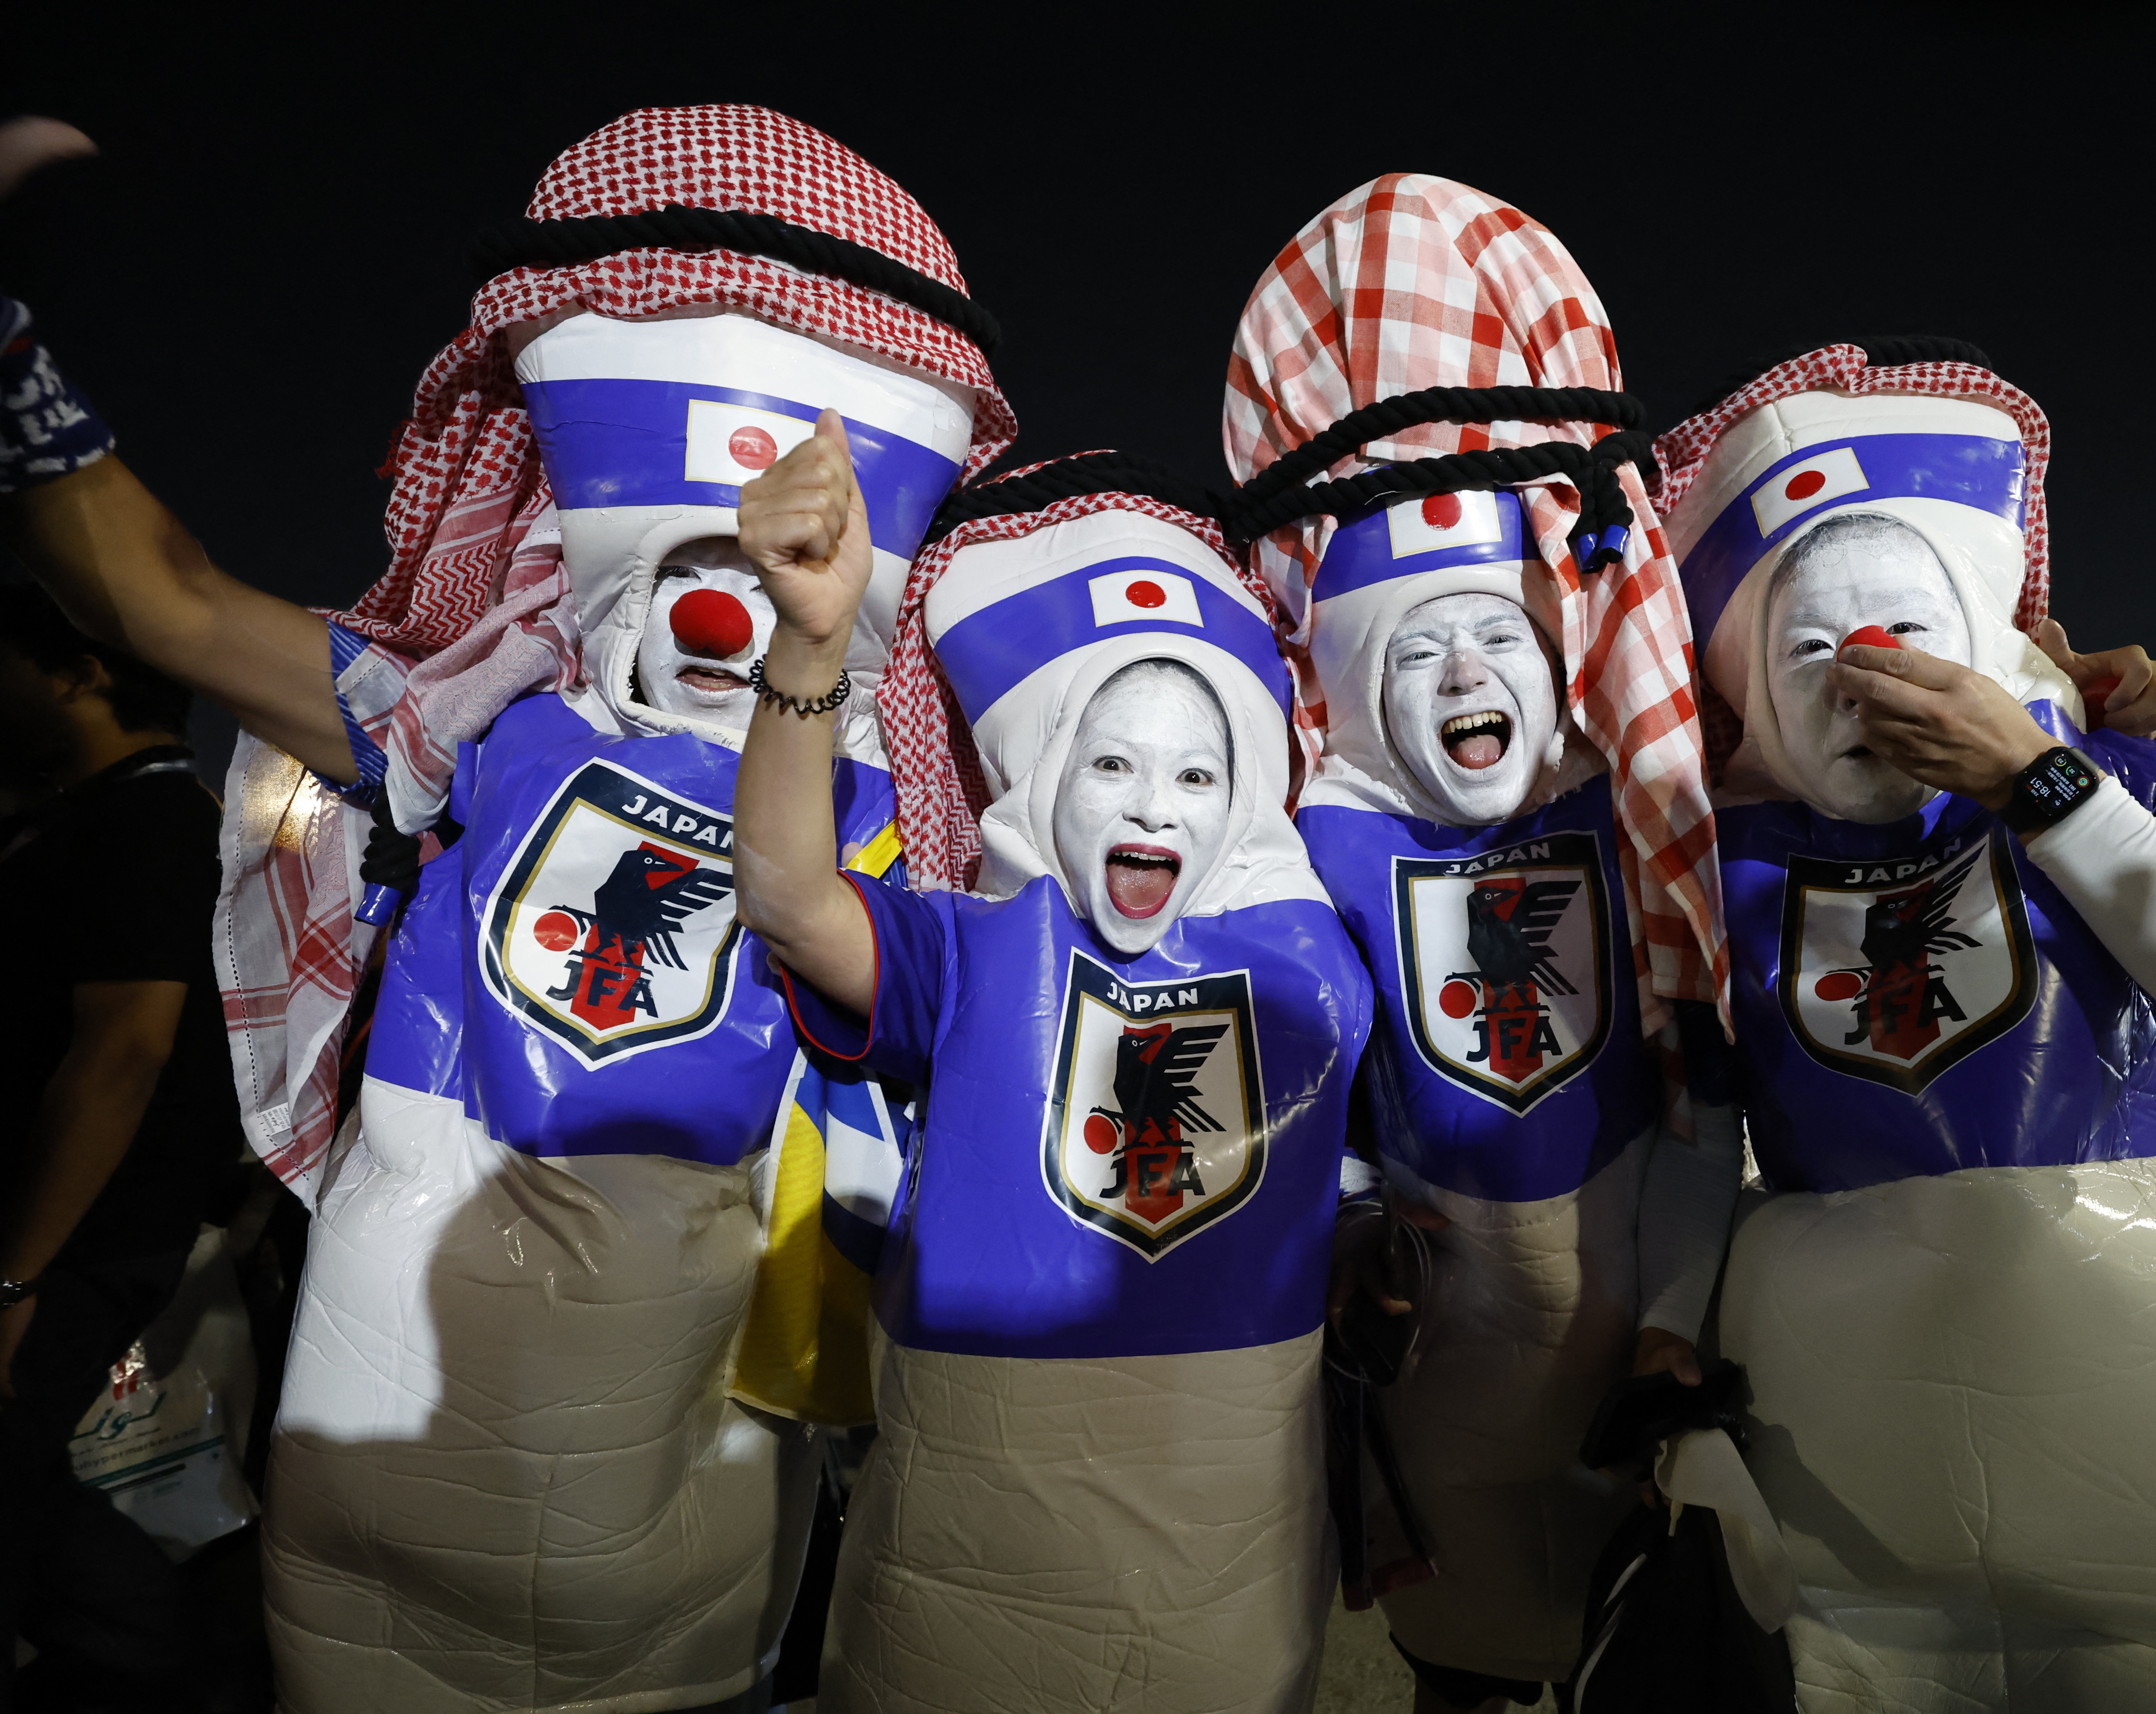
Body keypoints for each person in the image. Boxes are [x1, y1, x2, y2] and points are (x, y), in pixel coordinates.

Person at [0, 106, 1012, 1714]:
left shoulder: (893, 837)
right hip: (393, 1488)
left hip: (699, 1500)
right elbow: (153, 600)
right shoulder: (452, 717)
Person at [1649, 339, 2156, 1709]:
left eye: (1905, 637)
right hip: (1865, 1494)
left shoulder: (2107, 779)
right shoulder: (1712, 860)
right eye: (1806, 646)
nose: (1861, 682)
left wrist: (2045, 779)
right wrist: (1661, 1313)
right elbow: (1700, 1118)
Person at [732, 454, 1375, 1714]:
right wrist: (811, 653)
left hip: (1222, 1589)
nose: (1156, 807)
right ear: (1044, 780)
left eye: (1198, 774)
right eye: (1112, 766)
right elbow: (791, 900)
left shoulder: (1317, 967)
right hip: (963, 1582)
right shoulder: (971, 944)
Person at [1218, 174, 1739, 1712]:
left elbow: (1699, 1102)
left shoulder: (1645, 823)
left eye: (1499, 629)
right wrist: (1358, 1220)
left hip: (1625, 1370)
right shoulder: (1315, 841)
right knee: (1461, 1659)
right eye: (1419, 644)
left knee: (1634, 1645)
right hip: (1440, 1364)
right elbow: (1316, 1086)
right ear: (1359, 683)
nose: (1463, 668)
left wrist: (1670, 1321)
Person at [0, 589, 237, 1709]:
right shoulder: (79, 817)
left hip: (77, 1232)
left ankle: (192, 1667)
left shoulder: (150, 821)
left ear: (80, 672)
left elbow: (124, 1050)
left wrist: (18, 1272)